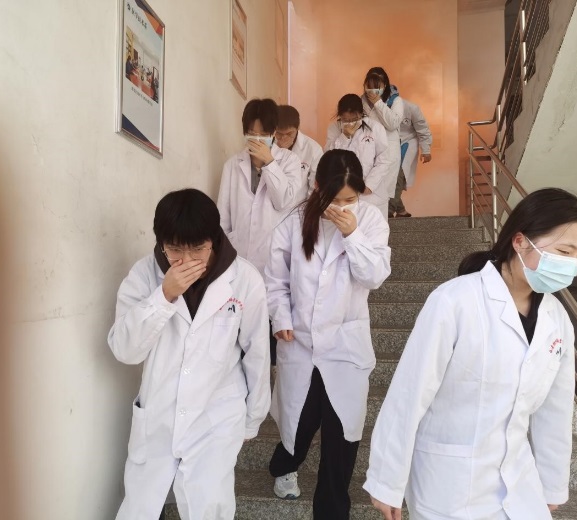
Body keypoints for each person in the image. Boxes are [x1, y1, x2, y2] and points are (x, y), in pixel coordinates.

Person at [364, 188, 577, 520]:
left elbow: (555, 411)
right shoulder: (455, 300)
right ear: (520, 242)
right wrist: (387, 480)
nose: (571, 264)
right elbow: (409, 393)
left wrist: (552, 485)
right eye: (564, 251)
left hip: (520, 484)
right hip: (449, 485)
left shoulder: (556, 318)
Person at [109, 189, 271, 520]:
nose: (186, 260)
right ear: (161, 243)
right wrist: (163, 296)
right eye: (175, 249)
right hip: (160, 410)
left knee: (209, 506)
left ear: (214, 240)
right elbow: (124, 349)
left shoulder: (245, 279)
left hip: (217, 413)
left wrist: (253, 417)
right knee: (140, 506)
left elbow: (257, 352)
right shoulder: (144, 275)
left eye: (198, 248)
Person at [266, 149, 392, 519]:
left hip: (344, 347)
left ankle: (332, 511)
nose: (341, 207)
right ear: (318, 187)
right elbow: (275, 280)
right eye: (333, 199)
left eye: (349, 200)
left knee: (341, 439)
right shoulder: (294, 222)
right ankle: (283, 465)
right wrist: (280, 317)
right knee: (300, 424)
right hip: (300, 343)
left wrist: (352, 235)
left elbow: (374, 276)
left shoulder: (370, 221)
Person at [218, 98, 302, 367]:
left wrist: (269, 164)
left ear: (274, 133)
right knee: (237, 337)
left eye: (263, 134)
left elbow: (284, 200)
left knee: (267, 343)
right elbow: (223, 218)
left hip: (274, 263)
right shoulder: (233, 165)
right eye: (251, 133)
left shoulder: (290, 162)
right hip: (238, 262)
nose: (256, 139)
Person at [325, 94, 395, 218]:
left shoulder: (375, 128)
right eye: (345, 119)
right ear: (340, 116)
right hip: (344, 192)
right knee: (346, 227)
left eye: (354, 119)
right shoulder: (334, 129)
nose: (350, 123)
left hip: (372, 195)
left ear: (361, 114)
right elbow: (330, 158)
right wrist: (344, 137)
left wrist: (369, 185)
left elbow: (383, 160)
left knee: (374, 227)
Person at [361, 67, 406, 217]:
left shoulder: (395, 100)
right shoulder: (362, 101)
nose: (372, 90)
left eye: (377, 86)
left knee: (383, 194)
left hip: (388, 153)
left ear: (384, 85)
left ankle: (382, 225)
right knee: (367, 192)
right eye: (369, 85)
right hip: (367, 151)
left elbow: (393, 124)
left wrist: (378, 103)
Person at [390, 96, 433, 218]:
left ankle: (389, 209)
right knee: (389, 177)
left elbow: (423, 129)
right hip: (390, 143)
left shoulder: (411, 108)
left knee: (399, 176)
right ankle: (401, 210)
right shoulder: (379, 106)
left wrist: (426, 150)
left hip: (408, 142)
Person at [275, 104, 324, 198]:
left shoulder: (313, 149)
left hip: (300, 204)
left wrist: (308, 206)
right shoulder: (269, 145)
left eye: (289, 133)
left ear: (297, 128)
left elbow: (315, 187)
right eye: (279, 133)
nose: (284, 138)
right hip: (271, 204)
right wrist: (280, 151)